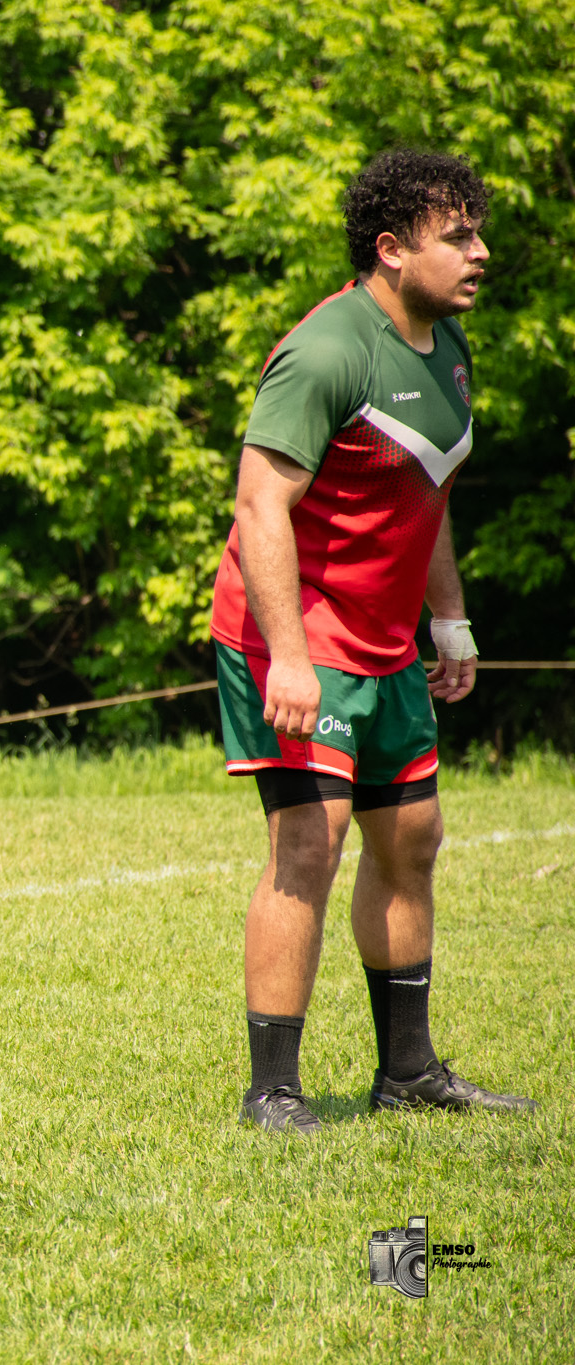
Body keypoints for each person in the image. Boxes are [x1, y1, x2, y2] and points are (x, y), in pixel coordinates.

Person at [212, 149, 535, 1134]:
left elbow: (425, 488)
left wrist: (446, 618)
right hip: (291, 634)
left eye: (476, 233)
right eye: (456, 237)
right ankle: (271, 1091)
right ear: (390, 250)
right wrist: (294, 660)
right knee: (308, 843)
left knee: (412, 838)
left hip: (384, 638)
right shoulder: (325, 351)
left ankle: (406, 1073)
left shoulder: (442, 347)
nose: (477, 254)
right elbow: (260, 505)